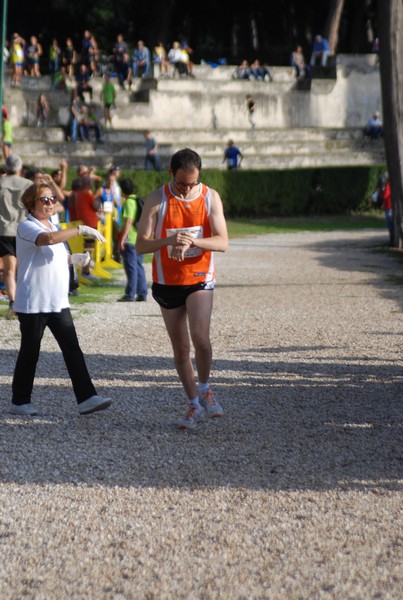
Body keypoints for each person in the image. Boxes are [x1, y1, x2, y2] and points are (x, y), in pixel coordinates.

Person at [135, 147, 228, 430]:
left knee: (200, 337)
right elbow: (140, 245)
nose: (187, 189)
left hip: (199, 276)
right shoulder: (156, 198)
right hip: (167, 281)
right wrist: (168, 241)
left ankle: (205, 387)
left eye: (193, 183)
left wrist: (192, 241)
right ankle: (193, 404)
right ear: (170, 174)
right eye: (181, 183)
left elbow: (222, 241)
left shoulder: (210, 196)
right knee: (180, 348)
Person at [10, 180, 111, 417]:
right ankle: (20, 401)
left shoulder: (54, 225)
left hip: (57, 301)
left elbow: (59, 255)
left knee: (72, 349)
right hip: (34, 302)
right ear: (31, 204)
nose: (50, 203)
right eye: (44, 200)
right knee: (30, 351)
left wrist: (77, 259)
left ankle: (86, 397)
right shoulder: (27, 226)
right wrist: (81, 229)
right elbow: (47, 240)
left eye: (52, 199)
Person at [0, 154, 33, 318]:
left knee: (9, 270)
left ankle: (13, 302)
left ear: (6, 168)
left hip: (4, 229)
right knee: (25, 268)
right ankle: (25, 301)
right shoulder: (28, 185)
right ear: (20, 168)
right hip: (24, 229)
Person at [117, 177, 148, 302]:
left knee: (131, 267)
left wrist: (122, 239)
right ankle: (142, 293)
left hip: (130, 239)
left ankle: (130, 294)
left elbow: (129, 221)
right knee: (138, 266)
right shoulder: (137, 199)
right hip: (139, 237)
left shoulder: (128, 202)